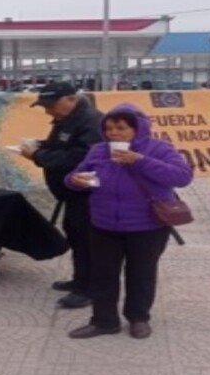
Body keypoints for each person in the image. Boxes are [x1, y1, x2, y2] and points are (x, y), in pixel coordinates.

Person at [64, 103, 192, 339]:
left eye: (121, 128)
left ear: (138, 128)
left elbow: (182, 176)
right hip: (103, 224)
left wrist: (140, 160)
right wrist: (75, 180)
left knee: (141, 274)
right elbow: (73, 176)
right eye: (109, 128)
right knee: (103, 274)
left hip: (147, 226)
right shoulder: (98, 150)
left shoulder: (159, 148)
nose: (114, 133)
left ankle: (138, 318)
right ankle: (104, 321)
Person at [21, 82, 103, 309]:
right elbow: (61, 146)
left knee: (87, 240)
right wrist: (40, 144)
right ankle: (80, 279)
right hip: (72, 193)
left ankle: (89, 288)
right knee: (75, 236)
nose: (48, 111)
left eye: (51, 106)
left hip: (88, 193)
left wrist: (38, 155)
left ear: (71, 99)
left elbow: (79, 158)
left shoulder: (91, 122)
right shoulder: (68, 119)